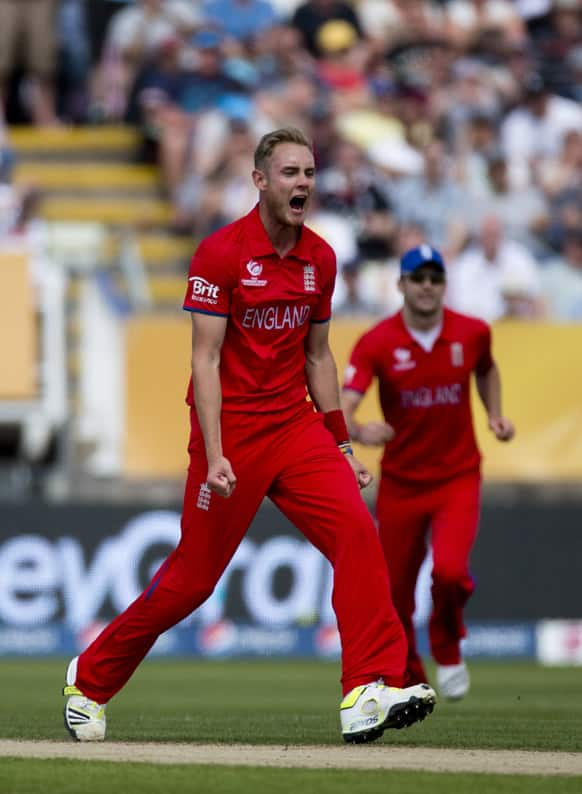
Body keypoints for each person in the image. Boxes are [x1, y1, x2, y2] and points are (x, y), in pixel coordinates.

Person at [62, 127, 436, 744]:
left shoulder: (320, 257)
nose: (304, 185)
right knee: (190, 581)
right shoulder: (220, 254)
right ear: (260, 181)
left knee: (357, 534)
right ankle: (90, 678)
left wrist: (341, 442)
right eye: (290, 173)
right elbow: (204, 361)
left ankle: (366, 690)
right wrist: (213, 455)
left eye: (310, 173)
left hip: (293, 426)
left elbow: (318, 355)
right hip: (230, 436)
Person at [342, 244, 515, 700]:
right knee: (395, 592)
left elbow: (487, 369)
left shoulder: (472, 332)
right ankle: (411, 678)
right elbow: (344, 402)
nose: (426, 286)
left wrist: (494, 413)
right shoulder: (377, 341)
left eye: (435, 279)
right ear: (400, 284)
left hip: (457, 477)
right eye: (417, 278)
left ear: (444, 285)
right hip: (401, 483)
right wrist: (358, 429)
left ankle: (448, 643)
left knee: (452, 573)